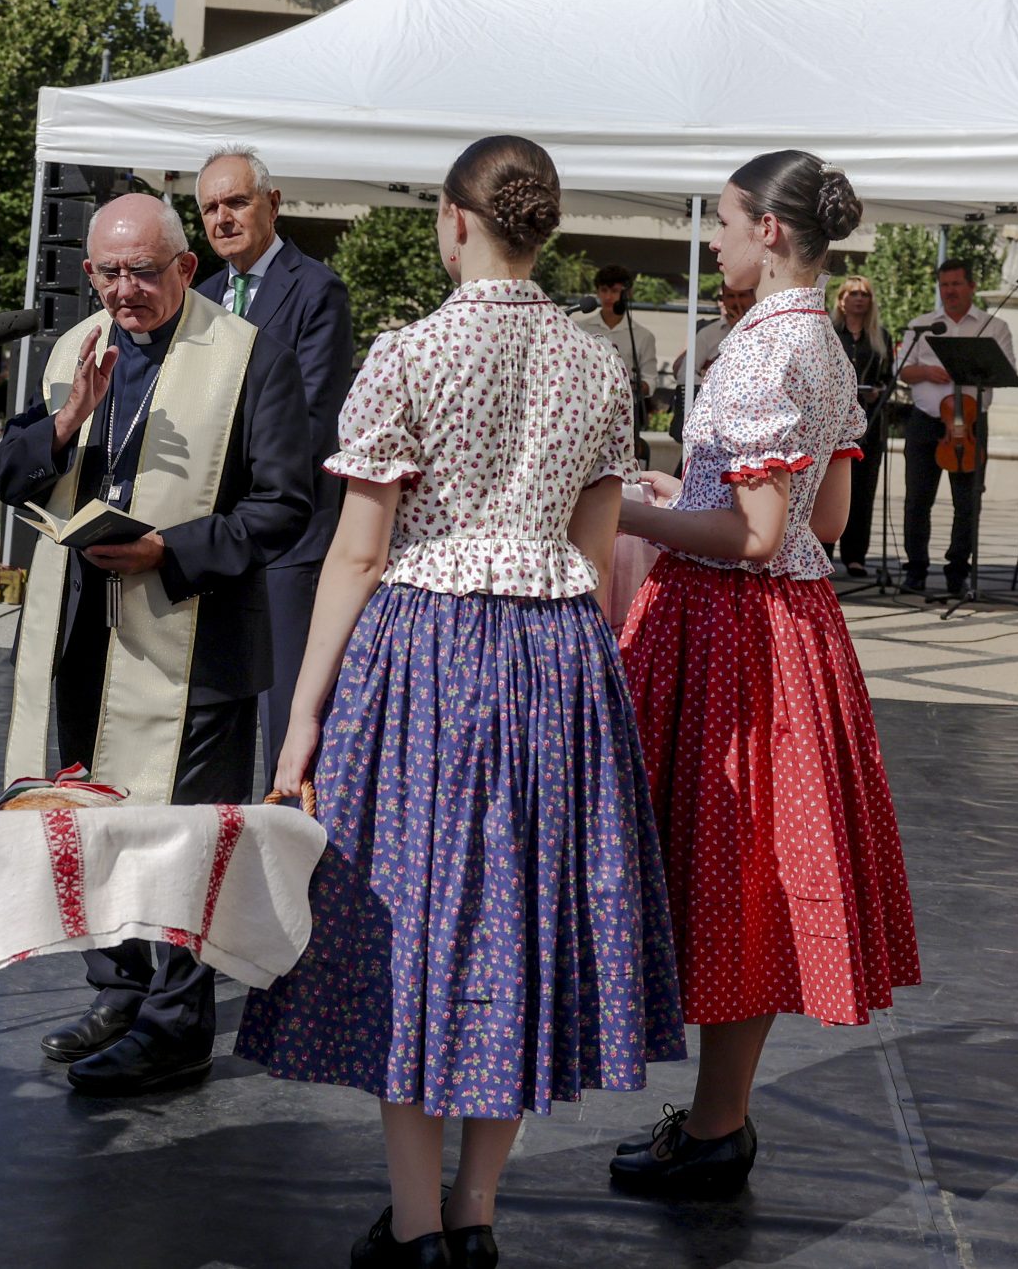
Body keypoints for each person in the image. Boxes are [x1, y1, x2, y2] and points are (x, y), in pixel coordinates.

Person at [237, 136, 681, 1269]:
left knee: (416, 934)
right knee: (516, 934)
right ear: (540, 232)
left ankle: (419, 1226)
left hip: (425, 657)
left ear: (450, 221)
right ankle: (475, 1215)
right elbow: (590, 549)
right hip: (553, 652)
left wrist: (303, 720)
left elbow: (356, 556)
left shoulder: (405, 354)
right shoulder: (595, 363)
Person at [610, 150, 920, 1200]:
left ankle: (711, 1126)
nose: (714, 240)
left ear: (771, 233)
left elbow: (750, 534)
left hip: (728, 629)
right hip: (795, 629)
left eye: (727, 222)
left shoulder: (755, 353)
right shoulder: (826, 344)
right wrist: (684, 485)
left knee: (719, 869)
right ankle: (716, 1117)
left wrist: (632, 509)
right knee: (751, 882)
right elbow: (821, 523)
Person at [0, 192, 311, 1098]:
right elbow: (14, 474)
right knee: (92, 814)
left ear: (186, 267)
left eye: (141, 271)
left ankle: (177, 1025)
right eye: (106, 272)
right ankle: (120, 988)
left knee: (178, 835)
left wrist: (172, 546)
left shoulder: (250, 356)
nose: (122, 291)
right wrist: (63, 420)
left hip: (194, 630)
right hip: (85, 626)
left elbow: (285, 505)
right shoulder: (71, 352)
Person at [194, 144, 355, 786]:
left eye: (237, 201)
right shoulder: (200, 297)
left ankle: (293, 867)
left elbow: (313, 421)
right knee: (213, 722)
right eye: (210, 207)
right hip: (214, 540)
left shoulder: (317, 290)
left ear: (273, 204)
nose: (223, 218)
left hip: (288, 539)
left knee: (288, 726)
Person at [896, 260, 1017, 601]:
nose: (949, 290)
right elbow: (902, 371)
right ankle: (916, 569)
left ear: (971, 286)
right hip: (925, 421)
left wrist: (970, 369)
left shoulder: (995, 327)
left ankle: (957, 572)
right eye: (944, 284)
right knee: (917, 500)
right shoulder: (922, 325)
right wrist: (924, 371)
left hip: (971, 424)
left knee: (968, 502)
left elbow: (1005, 372)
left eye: (955, 284)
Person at [828, 275, 891, 575]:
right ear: (841, 299)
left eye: (865, 294)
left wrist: (878, 388)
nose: (859, 298)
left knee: (863, 492)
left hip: (869, 423)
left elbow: (888, 376)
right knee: (825, 489)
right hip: (831, 424)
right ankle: (822, 552)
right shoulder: (829, 331)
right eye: (853, 293)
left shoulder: (881, 336)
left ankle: (856, 556)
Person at [576, 262, 657, 437]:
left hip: (625, 415)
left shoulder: (643, 336)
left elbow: (650, 381)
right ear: (597, 292)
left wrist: (632, 386)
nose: (608, 296)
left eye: (614, 291)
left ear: (628, 293)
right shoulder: (580, 329)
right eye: (604, 290)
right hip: (586, 410)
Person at [667, 282, 753, 445]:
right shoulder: (708, 334)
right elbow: (685, 375)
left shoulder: (762, 330)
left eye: (742, 295)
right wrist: (714, 383)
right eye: (730, 296)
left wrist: (741, 331)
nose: (736, 302)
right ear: (723, 300)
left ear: (752, 297)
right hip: (711, 418)